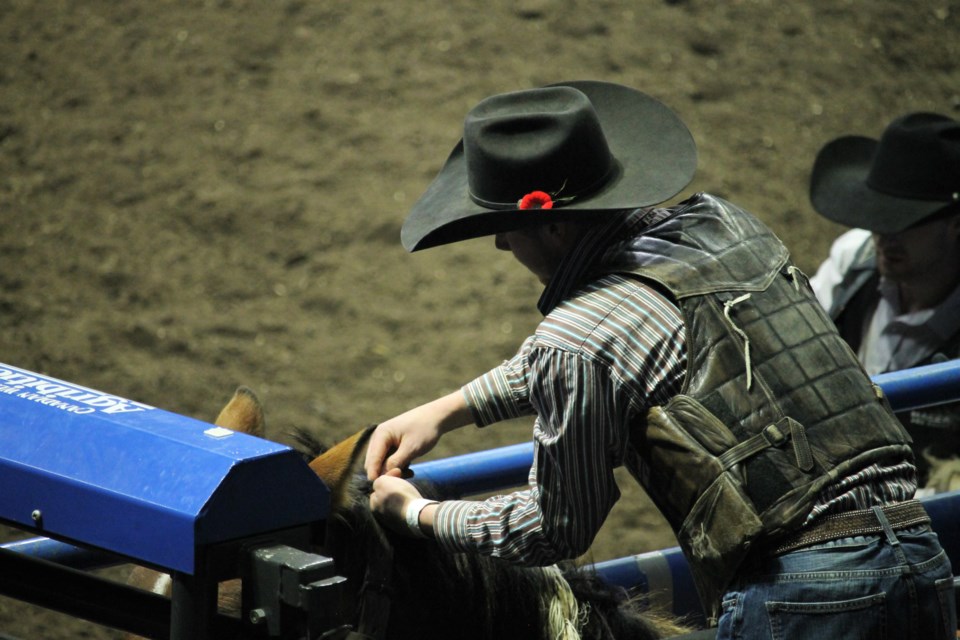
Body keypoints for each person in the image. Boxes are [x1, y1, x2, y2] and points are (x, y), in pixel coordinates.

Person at [363, 81, 957, 639]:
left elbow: (554, 528)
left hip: (803, 592)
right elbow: (611, 351)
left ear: (552, 228)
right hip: (922, 552)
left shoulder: (574, 337)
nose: (499, 242)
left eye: (508, 227)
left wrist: (418, 513)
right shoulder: (725, 224)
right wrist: (448, 410)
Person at [808, 112, 960, 491]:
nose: (883, 233)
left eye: (905, 220)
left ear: (956, 224)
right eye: (876, 213)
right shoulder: (854, 260)